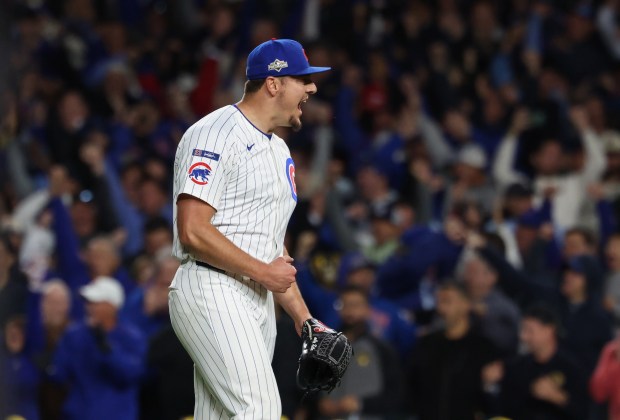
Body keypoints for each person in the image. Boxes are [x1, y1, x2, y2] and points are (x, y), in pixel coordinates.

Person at [169, 38, 332, 419]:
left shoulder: (279, 151)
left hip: (256, 298)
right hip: (212, 287)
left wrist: (305, 319)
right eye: (302, 79)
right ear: (273, 83)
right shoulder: (214, 134)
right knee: (259, 409)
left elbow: (272, 253)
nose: (312, 88)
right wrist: (263, 273)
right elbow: (192, 230)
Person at [48, 276, 146, 420]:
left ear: (112, 306)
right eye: (87, 302)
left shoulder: (132, 337)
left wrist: (106, 348)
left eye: (95, 302)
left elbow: (130, 375)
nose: (89, 307)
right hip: (77, 415)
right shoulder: (74, 334)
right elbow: (59, 375)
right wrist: (48, 367)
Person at [407, 281, 500, 420]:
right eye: (439, 301)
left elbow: (496, 401)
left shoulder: (483, 348)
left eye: (447, 301)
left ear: (466, 304)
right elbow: (410, 387)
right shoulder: (426, 344)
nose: (441, 308)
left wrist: (489, 386)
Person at [485, 305, 589, 420]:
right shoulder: (516, 366)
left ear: (549, 330)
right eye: (523, 330)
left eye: (530, 331)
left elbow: (585, 412)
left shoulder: (572, 368)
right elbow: (501, 409)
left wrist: (557, 397)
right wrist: (490, 385)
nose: (523, 337)